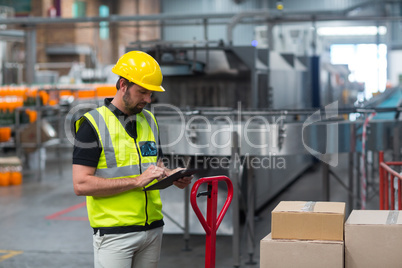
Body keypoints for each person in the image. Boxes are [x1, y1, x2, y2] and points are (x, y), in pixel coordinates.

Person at [72, 51, 193, 268]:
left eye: (151, 94)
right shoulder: (92, 125)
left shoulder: (149, 120)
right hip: (115, 235)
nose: (147, 99)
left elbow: (155, 166)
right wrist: (136, 181)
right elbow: (81, 184)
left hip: (152, 229)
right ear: (123, 85)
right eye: (142, 92)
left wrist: (169, 176)